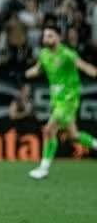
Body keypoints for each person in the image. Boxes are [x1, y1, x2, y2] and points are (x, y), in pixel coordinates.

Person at [25, 25, 97, 179]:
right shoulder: (44, 54)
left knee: (49, 130)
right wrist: (27, 73)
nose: (46, 39)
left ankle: (43, 168)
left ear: (58, 37)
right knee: (74, 135)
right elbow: (38, 69)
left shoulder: (67, 54)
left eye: (50, 35)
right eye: (45, 36)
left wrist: (94, 72)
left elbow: (84, 66)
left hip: (69, 98)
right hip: (57, 101)